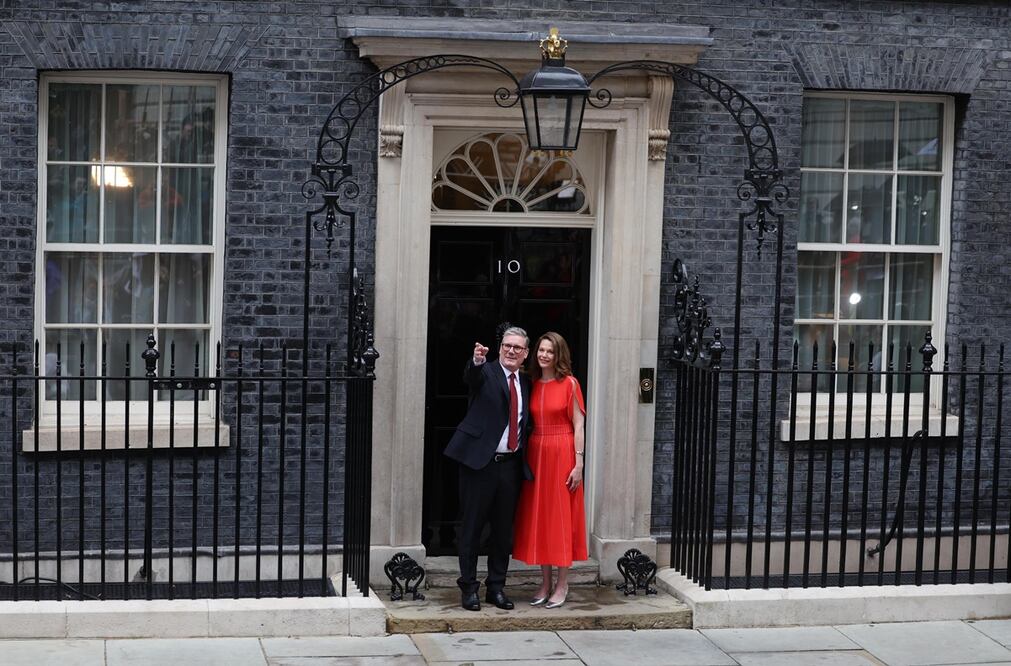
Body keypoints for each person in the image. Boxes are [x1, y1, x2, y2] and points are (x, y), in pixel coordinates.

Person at [443, 326, 533, 612]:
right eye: (507, 345)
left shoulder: (526, 382)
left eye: (517, 348)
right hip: (479, 464)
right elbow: (471, 377)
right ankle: (469, 588)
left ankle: (496, 587)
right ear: (500, 347)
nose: (511, 351)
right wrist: (477, 360)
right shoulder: (487, 372)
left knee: (502, 532)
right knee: (471, 528)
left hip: (509, 466)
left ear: (525, 354)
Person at [512, 331, 587, 609]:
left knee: (560, 517)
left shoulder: (569, 384)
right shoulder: (532, 383)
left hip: (562, 450)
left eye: (550, 351)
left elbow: (579, 425)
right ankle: (544, 582)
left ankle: (562, 583)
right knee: (540, 516)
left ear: (559, 355)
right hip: (536, 450)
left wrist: (579, 464)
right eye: (541, 350)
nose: (544, 355)